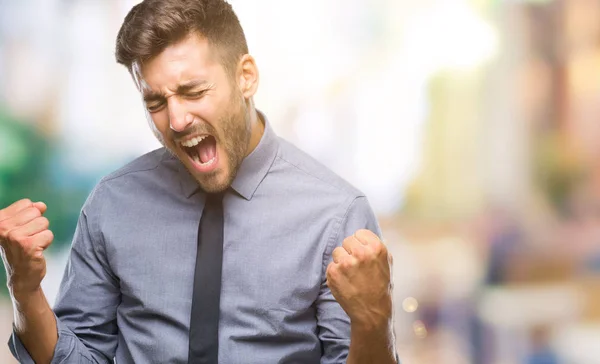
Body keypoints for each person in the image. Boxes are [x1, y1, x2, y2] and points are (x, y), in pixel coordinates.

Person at [0, 0, 398, 363]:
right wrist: (25, 291)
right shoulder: (112, 203)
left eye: (193, 91)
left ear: (246, 77)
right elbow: (79, 357)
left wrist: (372, 321)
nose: (175, 121)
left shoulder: (336, 214)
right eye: (155, 102)